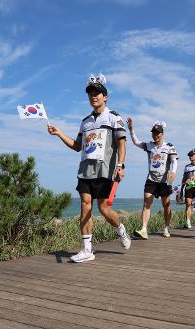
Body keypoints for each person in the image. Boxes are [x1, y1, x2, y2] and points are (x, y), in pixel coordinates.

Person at [47, 73, 131, 263]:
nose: (94, 96)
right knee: (85, 206)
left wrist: (120, 165)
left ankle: (120, 229)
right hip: (85, 170)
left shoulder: (113, 118)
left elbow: (122, 144)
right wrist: (59, 133)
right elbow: (77, 147)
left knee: (103, 209)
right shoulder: (85, 122)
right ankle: (87, 249)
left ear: (105, 96)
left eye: (98, 93)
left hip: (105, 170)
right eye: (91, 94)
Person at [127, 118, 178, 239]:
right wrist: (131, 129)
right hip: (151, 179)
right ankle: (144, 229)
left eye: (157, 133)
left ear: (162, 134)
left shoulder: (169, 147)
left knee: (166, 205)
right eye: (153, 133)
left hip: (165, 181)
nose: (155, 135)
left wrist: (173, 171)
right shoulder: (149, 146)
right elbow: (136, 142)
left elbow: (174, 161)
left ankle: (166, 227)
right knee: (147, 203)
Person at [181, 148, 195, 229]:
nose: (190, 157)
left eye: (192, 155)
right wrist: (182, 188)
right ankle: (188, 222)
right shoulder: (187, 167)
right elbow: (184, 178)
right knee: (188, 203)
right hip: (189, 187)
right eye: (189, 156)